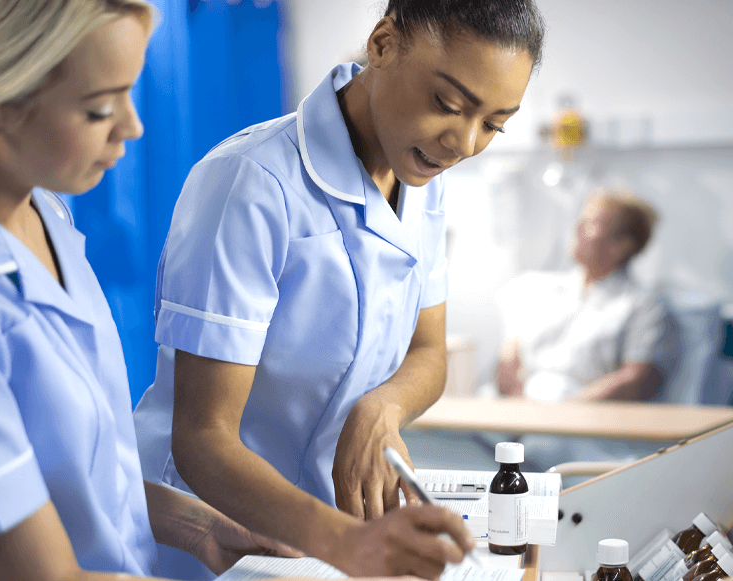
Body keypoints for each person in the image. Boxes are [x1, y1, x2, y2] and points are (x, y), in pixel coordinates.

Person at [131, 0, 545, 578]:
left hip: (321, 538)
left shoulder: (421, 178)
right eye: (447, 105)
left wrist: (384, 407)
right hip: (210, 532)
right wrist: (345, 543)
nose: (464, 143)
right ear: (382, 45)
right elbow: (203, 439)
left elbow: (429, 352)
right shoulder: (251, 183)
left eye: (494, 124)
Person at [0, 1, 306, 579]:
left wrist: (200, 523)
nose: (132, 126)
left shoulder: (46, 214)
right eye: (98, 109)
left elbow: (77, 476)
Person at [495, 190, 679, 403]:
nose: (577, 229)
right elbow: (510, 353)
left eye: (591, 223)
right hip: (520, 407)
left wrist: (567, 411)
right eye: (580, 221)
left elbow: (636, 378)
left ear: (621, 246)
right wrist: (519, 401)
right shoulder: (537, 288)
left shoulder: (642, 305)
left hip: (582, 414)